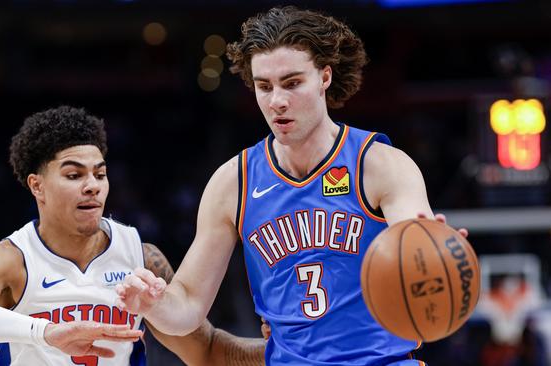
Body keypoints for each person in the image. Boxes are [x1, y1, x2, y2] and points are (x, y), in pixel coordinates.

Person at [116, 6, 468, 365]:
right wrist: (155, 305)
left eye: (292, 83)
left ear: (324, 77)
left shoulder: (379, 165)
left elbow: (415, 235)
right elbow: (188, 305)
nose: (276, 101)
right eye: (264, 86)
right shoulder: (233, 182)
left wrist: (434, 251)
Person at [0, 106, 265, 365]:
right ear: (37, 185)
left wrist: (288, 350)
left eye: (100, 173)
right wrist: (46, 333)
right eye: (74, 174)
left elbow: (207, 351)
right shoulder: (10, 259)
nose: (92, 185)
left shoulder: (141, 258)